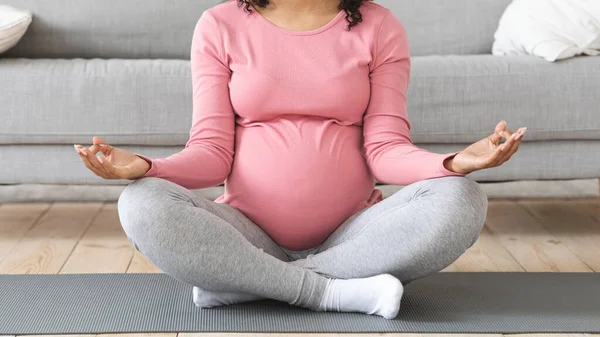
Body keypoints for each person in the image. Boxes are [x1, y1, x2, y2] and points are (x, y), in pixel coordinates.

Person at [74, 0, 526, 320]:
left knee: (462, 198)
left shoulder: (379, 26)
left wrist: (454, 163)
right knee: (141, 202)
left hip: (354, 239)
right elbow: (211, 154)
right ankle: (327, 292)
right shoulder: (219, 24)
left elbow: (386, 151)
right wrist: (147, 168)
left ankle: (250, 284)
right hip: (248, 234)